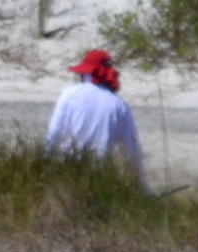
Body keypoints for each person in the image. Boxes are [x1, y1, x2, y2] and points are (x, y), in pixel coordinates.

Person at [45, 48, 144, 186]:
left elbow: (54, 132)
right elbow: (131, 150)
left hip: (66, 169)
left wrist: (45, 164)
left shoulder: (69, 94)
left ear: (85, 72)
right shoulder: (119, 105)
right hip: (100, 174)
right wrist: (140, 184)